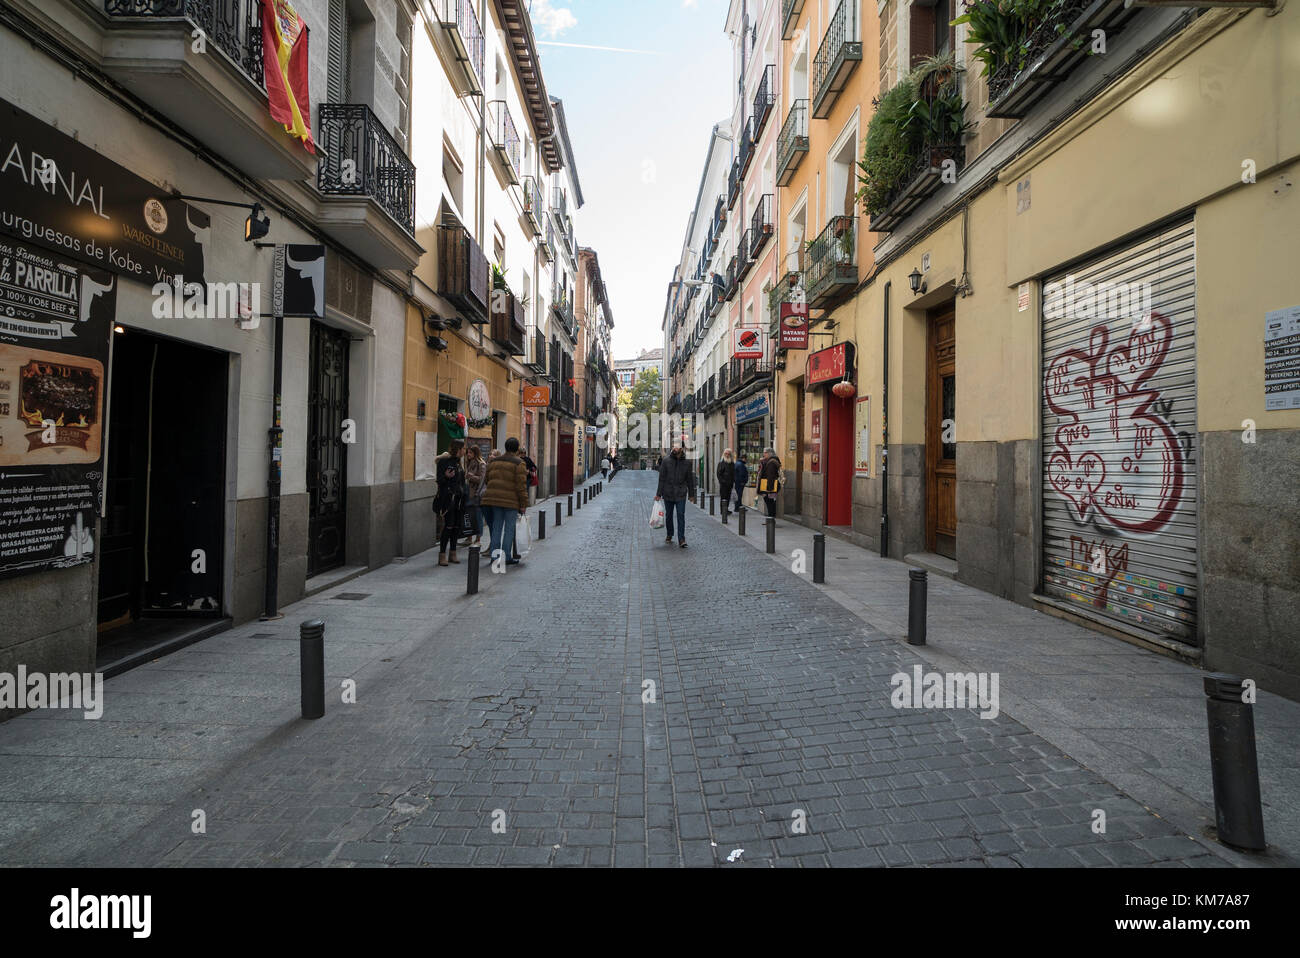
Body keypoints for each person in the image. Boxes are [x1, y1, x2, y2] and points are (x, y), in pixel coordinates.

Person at [481, 437, 529, 567]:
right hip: (511, 501)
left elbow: (487, 480)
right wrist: (523, 504)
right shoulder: (519, 463)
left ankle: (495, 557)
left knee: (497, 528)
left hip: (494, 499)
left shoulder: (494, 461)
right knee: (509, 529)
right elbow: (521, 486)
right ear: (517, 448)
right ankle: (506, 556)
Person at [655, 444, 696, 548]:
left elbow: (690, 480)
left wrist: (691, 494)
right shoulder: (666, 461)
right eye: (673, 446)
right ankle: (670, 533)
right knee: (669, 515)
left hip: (681, 493)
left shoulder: (687, 463)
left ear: (681, 449)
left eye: (677, 446)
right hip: (668, 492)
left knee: (680, 515)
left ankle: (681, 539)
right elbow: (662, 478)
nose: (675, 448)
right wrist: (658, 494)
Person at [432, 441, 467, 566]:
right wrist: (446, 476)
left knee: (456, 527)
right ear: (458, 449)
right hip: (448, 499)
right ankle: (442, 554)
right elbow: (439, 481)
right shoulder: (444, 462)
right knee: (448, 526)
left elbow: (461, 482)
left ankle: (453, 553)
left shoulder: (459, 463)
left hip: (459, 499)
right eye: (463, 448)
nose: (465, 451)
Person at [463, 443, 486, 549]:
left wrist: (471, 477)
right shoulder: (469, 462)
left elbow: (482, 480)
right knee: (469, 515)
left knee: (478, 517)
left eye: (470, 452)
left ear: (475, 453)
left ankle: (478, 538)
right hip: (468, 492)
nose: (468, 454)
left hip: (477, 493)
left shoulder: (481, 464)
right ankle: (469, 537)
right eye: (468, 452)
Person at [758, 447, 782, 519]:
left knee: (769, 502)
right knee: (770, 502)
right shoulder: (771, 461)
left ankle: (771, 519)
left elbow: (771, 476)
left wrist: (769, 488)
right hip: (769, 485)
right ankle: (771, 518)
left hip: (769, 486)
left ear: (769, 453)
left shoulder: (771, 462)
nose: (763, 454)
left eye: (765, 453)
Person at [716, 448, 736, 515]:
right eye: (726, 454)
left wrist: (733, 481)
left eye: (728, 454)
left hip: (730, 484)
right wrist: (722, 482)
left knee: (728, 497)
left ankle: (726, 509)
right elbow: (718, 474)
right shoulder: (721, 463)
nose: (727, 455)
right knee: (723, 498)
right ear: (724, 454)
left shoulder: (732, 463)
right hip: (724, 485)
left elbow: (733, 473)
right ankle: (722, 511)